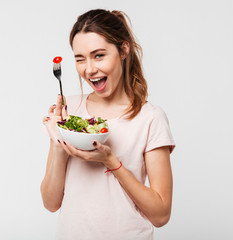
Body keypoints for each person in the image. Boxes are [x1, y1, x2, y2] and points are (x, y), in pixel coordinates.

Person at [41, 9, 175, 240]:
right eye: (80, 58)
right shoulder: (68, 112)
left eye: (99, 55)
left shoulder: (150, 118)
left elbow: (161, 215)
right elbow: (51, 203)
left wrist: (111, 161)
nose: (89, 69)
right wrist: (59, 140)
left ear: (123, 50)